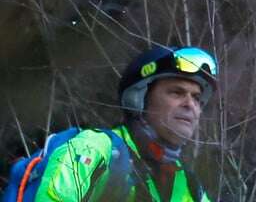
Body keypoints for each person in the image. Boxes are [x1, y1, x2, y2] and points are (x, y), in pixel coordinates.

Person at [30, 45, 217, 201]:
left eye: (197, 98)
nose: (190, 105)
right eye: (176, 92)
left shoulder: (188, 185)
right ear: (139, 99)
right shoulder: (94, 149)